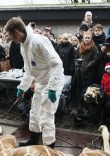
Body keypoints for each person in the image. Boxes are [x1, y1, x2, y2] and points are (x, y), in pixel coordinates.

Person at [4, 17, 65, 148]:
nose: (10, 38)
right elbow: (28, 70)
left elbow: (57, 64)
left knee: (46, 116)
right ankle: (33, 139)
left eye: (10, 35)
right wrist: (22, 87)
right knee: (35, 111)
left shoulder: (39, 41)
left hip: (53, 81)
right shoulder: (23, 46)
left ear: (16, 32)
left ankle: (49, 148)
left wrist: (53, 88)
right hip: (41, 82)